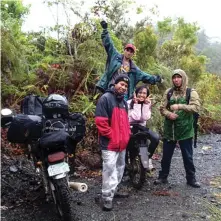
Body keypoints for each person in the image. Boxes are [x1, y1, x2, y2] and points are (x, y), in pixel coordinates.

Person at [155, 69, 201, 188]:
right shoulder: (169, 92)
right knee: (166, 156)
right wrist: (168, 114)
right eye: (174, 77)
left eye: (178, 77)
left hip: (185, 130)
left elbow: (196, 108)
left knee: (188, 156)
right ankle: (163, 177)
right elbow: (162, 108)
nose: (176, 79)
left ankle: (191, 179)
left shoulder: (191, 92)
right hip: (170, 130)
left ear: (183, 78)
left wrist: (180, 106)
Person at [96, 20, 162, 100]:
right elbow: (109, 44)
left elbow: (145, 76)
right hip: (111, 89)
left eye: (131, 51)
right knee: (108, 109)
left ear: (133, 54)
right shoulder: (115, 56)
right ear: (124, 50)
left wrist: (155, 79)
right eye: (127, 50)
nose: (129, 52)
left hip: (124, 95)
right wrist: (105, 30)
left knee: (121, 112)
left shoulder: (134, 69)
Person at [95, 74, 131, 211]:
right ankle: (106, 198)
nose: (123, 87)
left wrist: (126, 136)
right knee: (109, 170)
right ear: (115, 84)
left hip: (122, 144)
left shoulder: (123, 102)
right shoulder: (105, 99)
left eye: (126, 86)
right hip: (110, 144)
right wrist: (113, 136)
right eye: (121, 84)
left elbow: (126, 122)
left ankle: (113, 190)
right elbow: (101, 122)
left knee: (120, 168)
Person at [127, 85, 160, 169]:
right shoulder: (128, 103)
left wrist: (145, 105)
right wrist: (136, 104)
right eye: (140, 93)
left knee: (155, 138)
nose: (142, 95)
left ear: (147, 95)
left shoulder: (147, 103)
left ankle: (147, 159)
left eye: (144, 93)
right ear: (135, 93)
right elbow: (136, 118)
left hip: (141, 127)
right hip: (130, 127)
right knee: (130, 146)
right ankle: (129, 163)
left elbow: (145, 118)